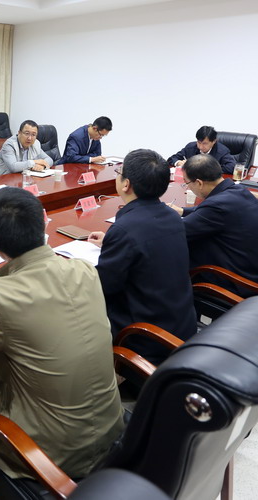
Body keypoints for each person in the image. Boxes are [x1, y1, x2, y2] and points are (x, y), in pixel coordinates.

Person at [0, 187, 124, 480]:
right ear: (43, 221)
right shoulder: (84, 270)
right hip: (111, 426)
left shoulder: (1, 297)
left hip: (56, 454)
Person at [88, 149, 197, 363]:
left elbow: (103, 287)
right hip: (180, 324)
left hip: (144, 336)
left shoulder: (125, 229)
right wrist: (113, 243)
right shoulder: (172, 216)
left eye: (119, 173)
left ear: (126, 184)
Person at [168, 155, 258, 297]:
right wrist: (182, 211)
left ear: (199, 183)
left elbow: (178, 232)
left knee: (172, 253)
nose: (187, 187)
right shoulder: (239, 191)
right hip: (256, 270)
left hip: (239, 282)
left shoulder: (217, 206)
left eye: (187, 183)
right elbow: (208, 212)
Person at [167, 126, 237, 174]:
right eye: (199, 142)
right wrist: (178, 163)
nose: (200, 146)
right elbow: (172, 159)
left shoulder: (222, 151)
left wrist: (206, 169)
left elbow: (231, 167)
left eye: (204, 143)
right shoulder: (190, 147)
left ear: (214, 141)